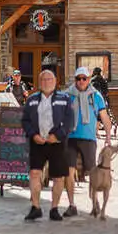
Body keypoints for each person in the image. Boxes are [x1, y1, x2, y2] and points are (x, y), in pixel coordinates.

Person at [21, 69, 76, 220]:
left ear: (55, 82)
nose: (46, 82)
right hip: (37, 142)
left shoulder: (65, 99)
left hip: (57, 143)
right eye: (43, 80)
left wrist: (57, 135)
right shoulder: (31, 100)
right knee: (34, 173)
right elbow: (25, 120)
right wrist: (33, 135)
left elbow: (70, 121)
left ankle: (54, 208)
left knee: (58, 177)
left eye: (49, 79)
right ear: (39, 83)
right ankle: (36, 207)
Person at [62, 66, 112, 216]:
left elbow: (104, 117)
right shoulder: (67, 95)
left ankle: (95, 203)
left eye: (84, 78)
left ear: (89, 79)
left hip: (89, 138)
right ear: (75, 80)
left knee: (92, 172)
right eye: (79, 79)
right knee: (69, 172)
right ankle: (72, 204)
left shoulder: (96, 96)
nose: (81, 81)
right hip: (70, 138)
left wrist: (108, 138)